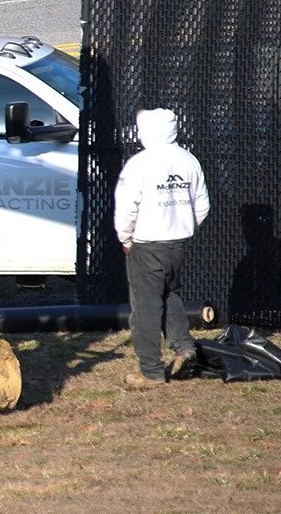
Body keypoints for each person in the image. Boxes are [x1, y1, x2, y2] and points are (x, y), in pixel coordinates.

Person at [114, 108, 210, 388]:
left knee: (145, 307)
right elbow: (202, 204)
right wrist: (183, 227)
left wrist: (125, 239)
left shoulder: (139, 164)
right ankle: (184, 347)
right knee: (171, 295)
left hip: (147, 245)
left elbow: (126, 208)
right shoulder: (189, 160)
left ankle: (151, 371)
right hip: (178, 244)